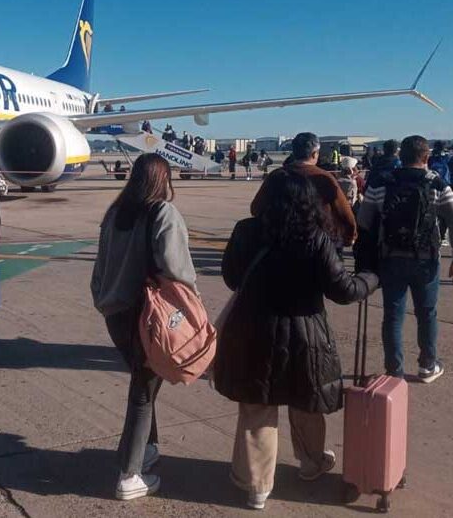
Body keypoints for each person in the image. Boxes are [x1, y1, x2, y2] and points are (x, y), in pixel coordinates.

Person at [215, 169, 378, 510]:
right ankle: (311, 461)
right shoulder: (316, 236)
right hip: (306, 334)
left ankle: (256, 485)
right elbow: (343, 291)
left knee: (257, 407)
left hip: (253, 330)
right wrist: (371, 278)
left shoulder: (246, 230)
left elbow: (232, 277)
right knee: (306, 401)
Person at [91, 153, 198, 501]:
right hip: (148, 316)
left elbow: (100, 266)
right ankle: (129, 473)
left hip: (115, 313)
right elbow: (177, 269)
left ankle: (147, 448)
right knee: (142, 392)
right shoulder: (162, 212)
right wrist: (190, 306)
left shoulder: (115, 213)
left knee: (145, 385)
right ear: (162, 179)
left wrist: (103, 297)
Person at [357, 136, 453, 383]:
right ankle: (427, 365)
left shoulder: (383, 182)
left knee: (393, 315)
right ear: (426, 157)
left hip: (391, 257)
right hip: (426, 259)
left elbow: (365, 221)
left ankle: (394, 370)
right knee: (427, 313)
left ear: (402, 156)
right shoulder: (438, 184)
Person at [252, 132, 357, 247]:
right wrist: (350, 236)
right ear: (314, 154)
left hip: (280, 244)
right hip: (318, 246)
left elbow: (256, 208)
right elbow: (344, 213)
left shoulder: (276, 176)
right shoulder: (325, 178)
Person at [428, 141, 451, 244]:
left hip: (431, 184)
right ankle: (441, 235)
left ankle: (436, 234)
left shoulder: (431, 158)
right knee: (446, 213)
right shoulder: (447, 157)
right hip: (445, 185)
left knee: (432, 212)